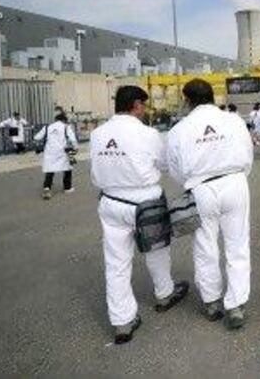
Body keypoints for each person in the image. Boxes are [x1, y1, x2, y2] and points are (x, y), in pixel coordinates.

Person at [89, 86, 189, 344]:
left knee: (116, 262)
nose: (144, 111)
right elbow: (164, 164)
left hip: (110, 203)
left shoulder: (97, 134)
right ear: (136, 105)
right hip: (146, 203)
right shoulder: (148, 134)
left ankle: (123, 321)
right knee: (156, 250)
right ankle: (164, 294)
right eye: (143, 106)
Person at [165, 79, 254, 330]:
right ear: (213, 96)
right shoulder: (234, 120)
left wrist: (193, 183)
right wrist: (237, 175)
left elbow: (175, 169)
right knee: (237, 245)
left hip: (201, 188)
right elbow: (247, 154)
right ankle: (235, 305)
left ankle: (212, 301)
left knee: (205, 245)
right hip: (235, 182)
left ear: (187, 100)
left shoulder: (179, 130)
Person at [34, 111, 78, 199]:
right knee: (67, 169)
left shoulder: (47, 127)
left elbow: (36, 137)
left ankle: (47, 188)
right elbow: (73, 139)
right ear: (64, 120)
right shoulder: (66, 127)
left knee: (50, 170)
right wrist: (76, 148)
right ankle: (67, 188)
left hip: (49, 152)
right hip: (62, 152)